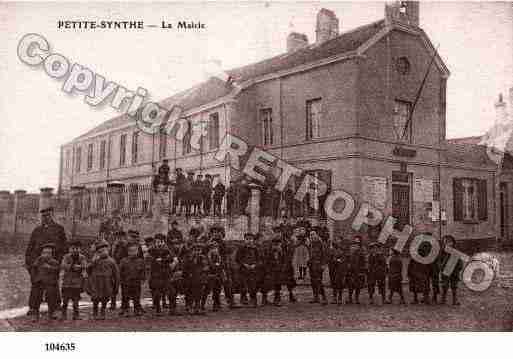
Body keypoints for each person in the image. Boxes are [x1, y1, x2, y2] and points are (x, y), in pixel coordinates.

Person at [25, 206, 67, 316]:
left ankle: (55, 308)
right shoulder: (37, 230)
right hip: (38, 264)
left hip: (53, 263)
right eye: (43, 216)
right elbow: (30, 248)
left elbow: (64, 247)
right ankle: (34, 308)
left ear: (52, 215)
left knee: (52, 286)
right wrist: (29, 262)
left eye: (48, 215)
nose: (45, 218)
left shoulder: (59, 229)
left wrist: (58, 261)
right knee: (36, 284)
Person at [86, 240, 119, 320]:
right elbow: (88, 270)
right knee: (95, 299)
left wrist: (116, 286)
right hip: (96, 283)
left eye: (105, 250)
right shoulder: (95, 261)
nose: (103, 252)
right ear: (97, 253)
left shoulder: (111, 261)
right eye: (100, 251)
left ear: (108, 250)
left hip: (106, 283)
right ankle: (95, 311)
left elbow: (116, 274)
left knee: (105, 298)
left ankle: (102, 311)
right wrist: (93, 262)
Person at [30, 242, 61, 322]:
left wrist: (50, 268)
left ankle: (52, 312)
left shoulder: (55, 262)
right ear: (41, 253)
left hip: (50, 282)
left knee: (52, 295)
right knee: (36, 295)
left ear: (52, 254)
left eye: (49, 253)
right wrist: (34, 279)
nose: (46, 255)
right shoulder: (38, 260)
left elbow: (57, 271)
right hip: (39, 281)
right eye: (44, 253)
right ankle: (34, 312)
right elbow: (34, 269)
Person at [60, 239, 88, 320]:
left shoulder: (82, 257)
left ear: (80, 249)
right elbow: (63, 265)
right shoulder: (66, 257)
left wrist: (80, 267)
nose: (75, 250)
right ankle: (63, 314)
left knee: (76, 300)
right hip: (67, 282)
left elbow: (85, 265)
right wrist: (71, 266)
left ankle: (76, 314)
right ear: (69, 249)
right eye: (73, 248)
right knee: (65, 300)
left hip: (77, 283)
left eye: (77, 248)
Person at [118, 241, 146, 317]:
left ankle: (137, 310)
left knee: (136, 296)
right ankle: (125, 310)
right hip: (126, 282)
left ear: (137, 251)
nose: (133, 253)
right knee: (125, 297)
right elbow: (120, 271)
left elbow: (143, 271)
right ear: (127, 252)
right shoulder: (123, 261)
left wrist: (143, 279)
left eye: (135, 251)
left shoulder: (140, 261)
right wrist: (120, 280)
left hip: (136, 282)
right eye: (131, 251)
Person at [148, 234, 172, 316]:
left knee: (168, 290)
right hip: (155, 274)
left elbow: (171, 258)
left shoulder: (167, 249)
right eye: (157, 241)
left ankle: (171, 307)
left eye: (160, 241)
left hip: (165, 273)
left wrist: (163, 260)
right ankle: (158, 308)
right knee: (156, 291)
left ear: (163, 242)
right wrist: (155, 260)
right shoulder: (151, 250)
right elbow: (149, 259)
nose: (158, 243)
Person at [183, 243, 209, 315]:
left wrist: (202, 270)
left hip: (199, 278)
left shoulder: (202, 258)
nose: (197, 252)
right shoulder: (188, 258)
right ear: (192, 251)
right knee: (190, 290)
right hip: (189, 278)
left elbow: (206, 267)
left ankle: (197, 306)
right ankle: (189, 306)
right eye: (195, 250)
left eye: (199, 250)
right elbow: (185, 270)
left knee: (200, 290)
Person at [236, 233, 261, 307]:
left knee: (252, 285)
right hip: (243, 269)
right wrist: (244, 264)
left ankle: (253, 299)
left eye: (250, 239)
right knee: (243, 284)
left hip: (253, 270)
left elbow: (258, 259)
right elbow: (237, 259)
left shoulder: (255, 249)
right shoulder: (241, 248)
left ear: (253, 240)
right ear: (244, 240)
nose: (249, 241)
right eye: (247, 239)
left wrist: (255, 265)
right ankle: (243, 298)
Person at [307, 229, 328, 305]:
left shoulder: (321, 243)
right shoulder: (310, 244)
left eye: (313, 234)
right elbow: (309, 254)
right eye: (310, 235)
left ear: (316, 235)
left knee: (319, 281)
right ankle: (315, 297)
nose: (312, 236)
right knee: (313, 282)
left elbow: (324, 255)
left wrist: (323, 264)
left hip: (319, 265)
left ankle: (324, 297)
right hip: (312, 265)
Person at [440, 235, 463, 305]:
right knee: (445, 286)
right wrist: (441, 267)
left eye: (450, 242)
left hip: (454, 271)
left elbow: (460, 261)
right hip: (446, 270)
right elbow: (439, 260)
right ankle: (443, 300)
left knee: (454, 287)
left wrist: (459, 268)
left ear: (453, 243)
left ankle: (454, 300)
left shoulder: (456, 251)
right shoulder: (443, 251)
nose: (449, 244)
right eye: (447, 242)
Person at [346, 237, 367, 304]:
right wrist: (348, 265)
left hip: (359, 269)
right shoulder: (351, 248)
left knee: (358, 285)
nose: (356, 244)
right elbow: (348, 257)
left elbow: (364, 259)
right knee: (350, 284)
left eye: (358, 242)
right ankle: (350, 298)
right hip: (351, 269)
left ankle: (357, 298)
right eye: (355, 242)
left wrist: (363, 269)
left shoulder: (363, 249)